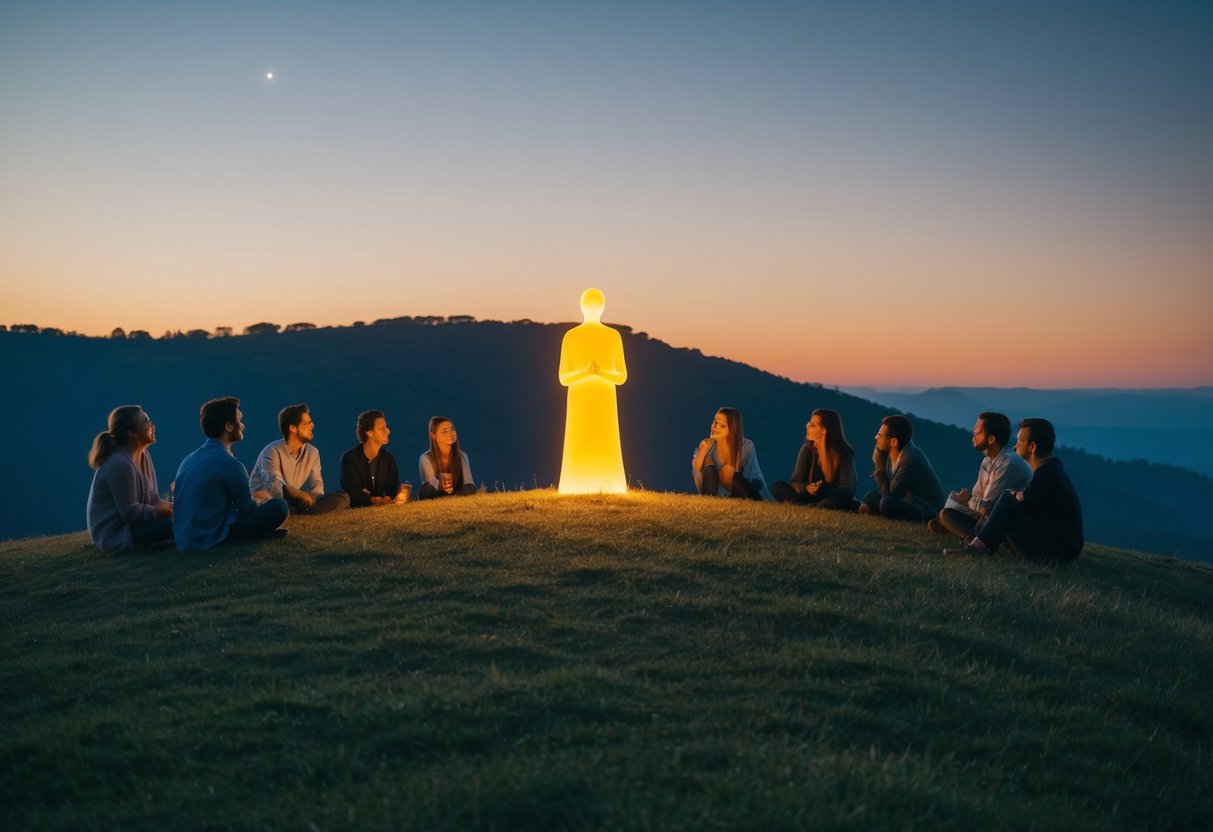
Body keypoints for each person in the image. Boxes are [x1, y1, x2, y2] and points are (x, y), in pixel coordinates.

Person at [945, 418, 1084, 563]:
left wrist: (1014, 495)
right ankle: (981, 538)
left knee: (1006, 497)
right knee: (1005, 500)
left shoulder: (1048, 473)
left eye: (1021, 441)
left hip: (1053, 553)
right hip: (1054, 547)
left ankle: (977, 547)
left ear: (1032, 447)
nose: (1016, 446)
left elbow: (1023, 501)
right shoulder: (1050, 470)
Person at [173, 396, 289, 549]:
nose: (243, 426)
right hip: (211, 538)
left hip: (185, 539)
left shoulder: (188, 459)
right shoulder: (230, 464)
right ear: (228, 426)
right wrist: (263, 500)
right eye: (239, 420)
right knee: (278, 507)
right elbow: (247, 507)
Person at [557, 287, 629, 494]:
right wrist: (587, 372)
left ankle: (608, 483)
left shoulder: (613, 336)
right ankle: (575, 482)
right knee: (579, 442)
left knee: (605, 441)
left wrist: (601, 373)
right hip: (580, 400)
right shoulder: (571, 336)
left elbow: (622, 376)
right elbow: (563, 378)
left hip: (604, 399)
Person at [929, 412, 1031, 541]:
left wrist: (967, 500)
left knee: (946, 514)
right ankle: (950, 525)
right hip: (988, 518)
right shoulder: (988, 461)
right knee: (947, 512)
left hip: (1009, 527)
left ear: (991, 439)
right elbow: (979, 497)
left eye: (977, 433)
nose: (973, 437)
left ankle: (973, 538)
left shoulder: (1008, 464)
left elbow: (988, 508)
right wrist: (964, 501)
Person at [86, 405, 174, 553]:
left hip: (137, 524)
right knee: (173, 526)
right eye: (146, 422)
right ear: (131, 432)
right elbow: (130, 513)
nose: (152, 425)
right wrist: (158, 512)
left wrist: (169, 507)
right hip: (118, 533)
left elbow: (153, 497)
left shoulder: (144, 455)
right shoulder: (119, 465)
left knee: (180, 518)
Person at [249, 403, 349, 514]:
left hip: (292, 501)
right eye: (307, 423)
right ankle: (293, 512)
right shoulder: (271, 451)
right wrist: (300, 495)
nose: (313, 425)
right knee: (276, 504)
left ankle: (298, 511)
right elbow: (275, 486)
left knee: (342, 497)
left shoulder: (312, 452)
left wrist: (311, 498)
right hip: (269, 500)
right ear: (293, 428)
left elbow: (317, 484)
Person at [860, 414, 944, 522]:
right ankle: (879, 510)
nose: (875, 438)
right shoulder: (893, 453)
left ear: (893, 442)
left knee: (887, 503)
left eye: (879, 436)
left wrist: (879, 466)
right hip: (906, 501)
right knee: (870, 496)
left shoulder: (911, 457)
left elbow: (892, 494)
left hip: (927, 510)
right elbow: (888, 492)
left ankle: (879, 511)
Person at [770, 408, 858, 510]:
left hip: (831, 498)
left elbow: (847, 488)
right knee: (777, 486)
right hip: (809, 497)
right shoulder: (807, 450)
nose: (807, 427)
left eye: (812, 425)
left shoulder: (844, 453)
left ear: (824, 430)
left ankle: (808, 506)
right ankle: (808, 506)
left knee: (841, 499)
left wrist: (830, 497)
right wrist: (806, 488)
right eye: (808, 424)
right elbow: (796, 481)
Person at [692, 407, 767, 499]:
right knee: (710, 470)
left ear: (732, 429)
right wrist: (704, 451)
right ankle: (711, 503)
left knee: (733, 475)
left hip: (741, 494)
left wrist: (733, 475)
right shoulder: (707, 446)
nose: (715, 427)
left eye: (722, 426)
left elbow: (754, 480)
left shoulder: (746, 446)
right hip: (716, 496)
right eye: (715, 422)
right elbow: (698, 480)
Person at [340, 410, 410, 507]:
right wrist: (373, 500)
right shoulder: (350, 458)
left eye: (387, 428)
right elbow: (353, 491)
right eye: (382, 429)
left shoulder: (389, 459)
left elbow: (393, 489)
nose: (387, 432)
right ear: (369, 432)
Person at [419, 416, 477, 499]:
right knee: (427, 489)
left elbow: (468, 482)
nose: (450, 433)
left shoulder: (462, 456)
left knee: (470, 488)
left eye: (452, 429)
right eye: (444, 431)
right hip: (435, 494)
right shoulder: (426, 458)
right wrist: (441, 484)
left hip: (458, 494)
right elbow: (429, 483)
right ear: (433, 436)